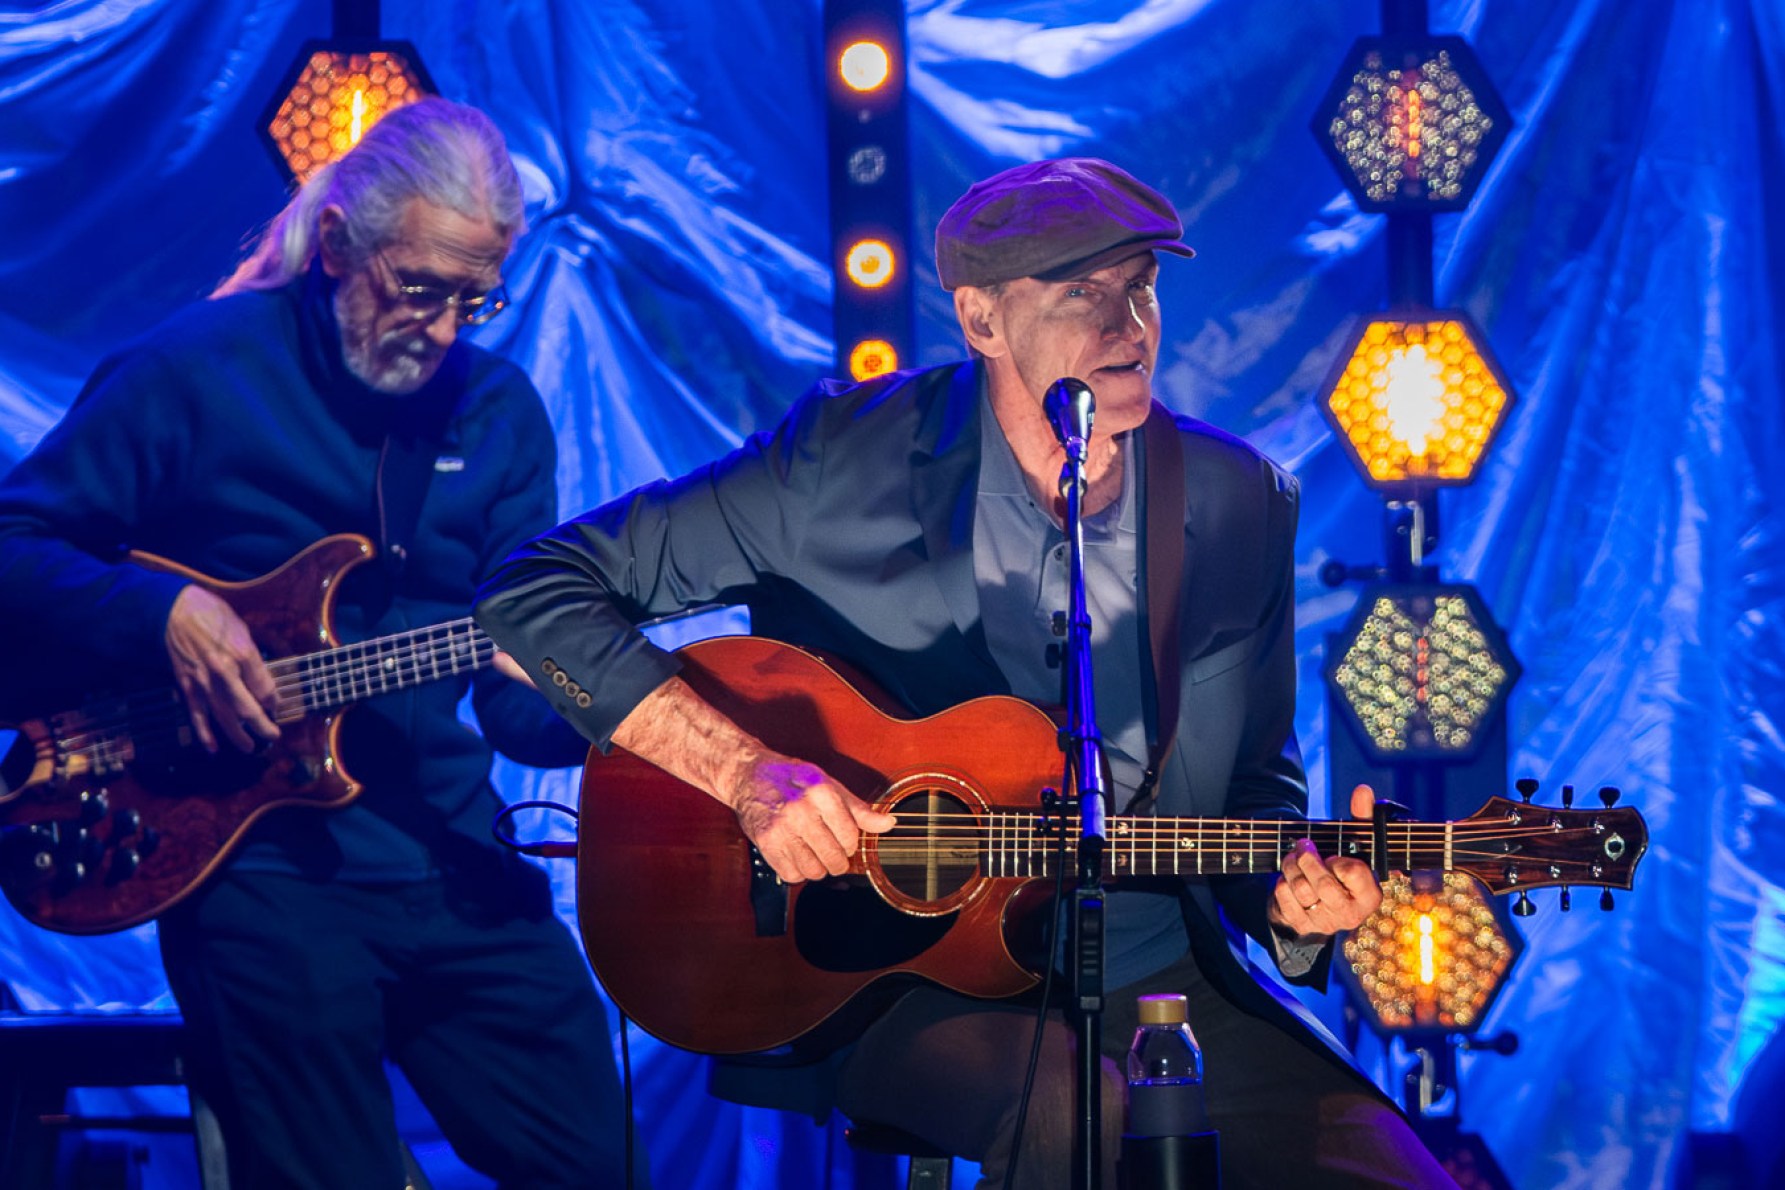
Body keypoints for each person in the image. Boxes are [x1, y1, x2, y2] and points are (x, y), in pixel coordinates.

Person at [474, 157, 1453, 1188]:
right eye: (1083, 291)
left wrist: (1296, 915)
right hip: (902, 983)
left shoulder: (1239, 499)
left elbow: (1258, 790)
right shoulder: (839, 463)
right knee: (1073, 1114)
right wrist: (746, 771)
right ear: (983, 319)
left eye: (1144, 285)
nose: (1128, 324)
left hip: (1161, 972)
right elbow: (532, 590)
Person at [0, 99, 645, 1189]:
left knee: (601, 1165)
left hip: (449, 857)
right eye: (418, 287)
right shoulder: (192, 372)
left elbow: (516, 707)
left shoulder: (499, 417)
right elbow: (16, 540)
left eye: (473, 298)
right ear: (339, 243)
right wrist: (158, 614)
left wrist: (598, 698)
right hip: (259, 868)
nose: (442, 327)